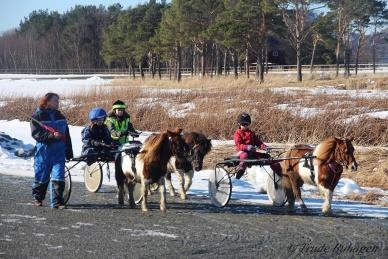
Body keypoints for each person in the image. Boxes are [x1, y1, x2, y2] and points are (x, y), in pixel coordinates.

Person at [30, 92, 73, 209]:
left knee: (58, 178)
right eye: (55, 101)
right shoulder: (37, 116)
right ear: (47, 101)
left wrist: (69, 150)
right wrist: (52, 136)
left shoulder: (61, 117)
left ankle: (57, 203)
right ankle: (38, 198)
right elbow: (36, 134)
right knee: (41, 178)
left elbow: (67, 135)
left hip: (59, 153)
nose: (58, 103)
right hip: (43, 153)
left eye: (58, 101)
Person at [105, 100, 140, 205]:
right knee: (118, 161)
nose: (120, 111)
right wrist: (122, 133)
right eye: (118, 110)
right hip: (113, 145)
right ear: (114, 110)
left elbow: (132, 130)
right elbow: (113, 134)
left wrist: (135, 133)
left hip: (125, 145)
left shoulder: (127, 120)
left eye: (122, 110)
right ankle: (120, 188)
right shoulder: (109, 121)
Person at [234, 112, 270, 179]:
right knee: (245, 155)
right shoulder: (237, 133)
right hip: (241, 152)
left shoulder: (251, 133)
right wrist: (246, 147)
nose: (245, 126)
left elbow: (258, 143)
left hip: (252, 153)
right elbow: (238, 144)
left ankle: (277, 170)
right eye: (243, 124)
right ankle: (241, 169)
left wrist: (264, 147)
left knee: (267, 156)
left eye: (246, 124)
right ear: (239, 124)